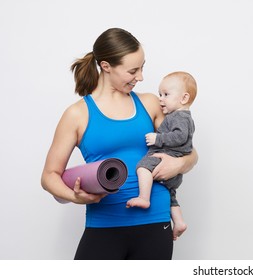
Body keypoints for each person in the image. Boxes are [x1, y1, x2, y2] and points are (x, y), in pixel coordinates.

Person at [40, 28, 198, 260]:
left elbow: (189, 151)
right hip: (104, 224)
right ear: (106, 66)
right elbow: (49, 176)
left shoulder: (150, 104)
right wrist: (75, 197)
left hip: (156, 223)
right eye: (133, 70)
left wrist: (180, 164)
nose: (141, 77)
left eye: (142, 67)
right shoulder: (78, 114)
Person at [127, 71, 197, 241]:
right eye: (160, 94)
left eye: (166, 94)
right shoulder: (178, 116)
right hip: (173, 170)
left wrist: (158, 138)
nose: (161, 99)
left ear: (184, 98)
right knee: (171, 194)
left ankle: (144, 198)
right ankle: (179, 222)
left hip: (168, 157)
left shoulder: (180, 116)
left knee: (142, 167)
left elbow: (179, 137)